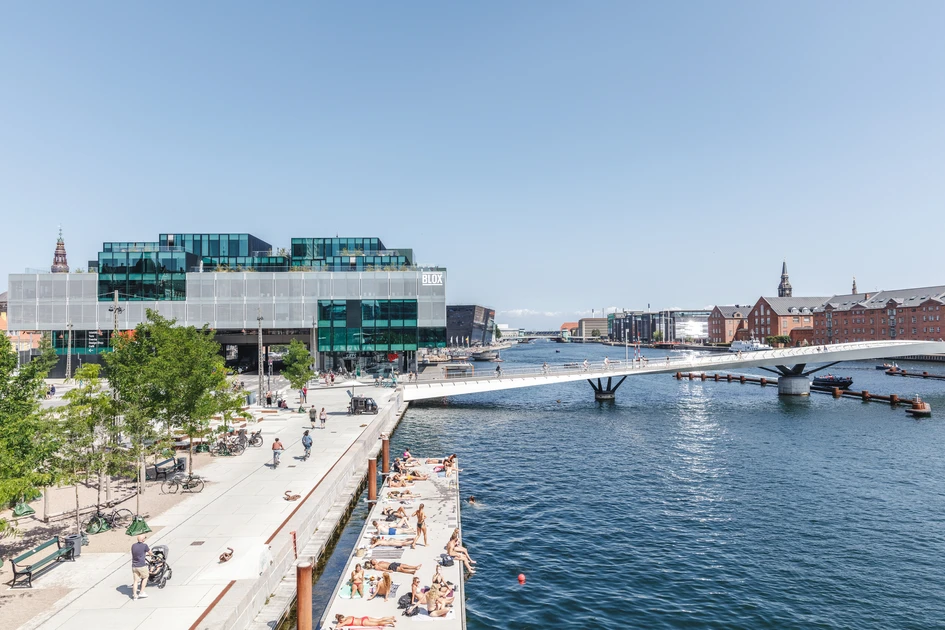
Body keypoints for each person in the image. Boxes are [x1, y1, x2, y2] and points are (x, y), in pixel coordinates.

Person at [130, 534, 151, 600]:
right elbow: (150, 553)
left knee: (135, 581)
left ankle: (135, 595)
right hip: (141, 565)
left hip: (134, 565)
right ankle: (141, 592)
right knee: (145, 577)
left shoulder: (133, 545)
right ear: (143, 540)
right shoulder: (145, 546)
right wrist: (151, 555)